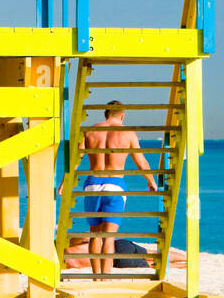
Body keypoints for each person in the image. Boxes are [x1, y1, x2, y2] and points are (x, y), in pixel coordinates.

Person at [58, 101, 157, 277]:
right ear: (123, 114)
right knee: (109, 236)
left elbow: (76, 159)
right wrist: (150, 180)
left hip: (92, 184)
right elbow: (140, 161)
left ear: (105, 114)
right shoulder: (127, 133)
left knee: (94, 234)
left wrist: (65, 181)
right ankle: (106, 276)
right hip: (114, 184)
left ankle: (96, 276)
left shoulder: (90, 131)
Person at [63, 236, 186, 270]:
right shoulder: (70, 244)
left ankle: (185, 265)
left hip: (116, 262)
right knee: (153, 253)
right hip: (118, 245)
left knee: (153, 264)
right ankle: (188, 258)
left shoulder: (69, 264)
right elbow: (89, 235)